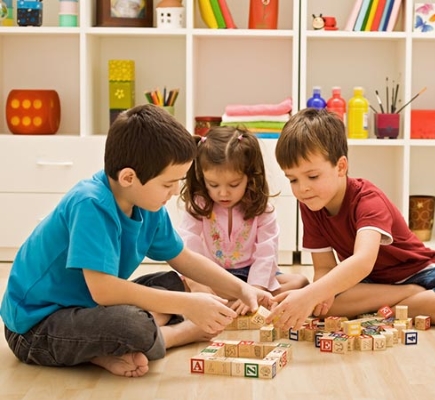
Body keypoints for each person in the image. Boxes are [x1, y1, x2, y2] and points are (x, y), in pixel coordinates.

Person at [0, 105, 273, 378]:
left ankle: (105, 349)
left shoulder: (147, 204)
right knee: (133, 325)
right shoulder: (91, 204)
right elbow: (104, 291)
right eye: (168, 184)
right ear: (129, 177)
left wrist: (241, 289)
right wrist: (188, 307)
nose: (175, 191)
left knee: (175, 282)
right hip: (35, 327)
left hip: (87, 308)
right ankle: (173, 334)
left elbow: (184, 259)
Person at [265, 108, 435, 330]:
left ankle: (392, 302)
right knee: (325, 304)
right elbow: (324, 268)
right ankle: (406, 298)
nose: (302, 188)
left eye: (312, 176)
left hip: (418, 273)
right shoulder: (312, 203)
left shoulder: (367, 199)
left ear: (341, 167)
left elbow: (363, 261)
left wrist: (311, 295)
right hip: (370, 284)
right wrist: (319, 295)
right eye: (293, 180)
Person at [178, 126, 308, 314]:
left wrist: (256, 289)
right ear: (201, 177)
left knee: (300, 282)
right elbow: (187, 243)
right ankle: (234, 300)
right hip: (215, 275)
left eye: (234, 184)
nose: (223, 193)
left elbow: (266, 252)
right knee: (181, 285)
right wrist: (198, 283)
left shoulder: (262, 209)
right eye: (213, 184)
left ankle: (238, 300)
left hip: (250, 274)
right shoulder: (200, 204)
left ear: (250, 176)